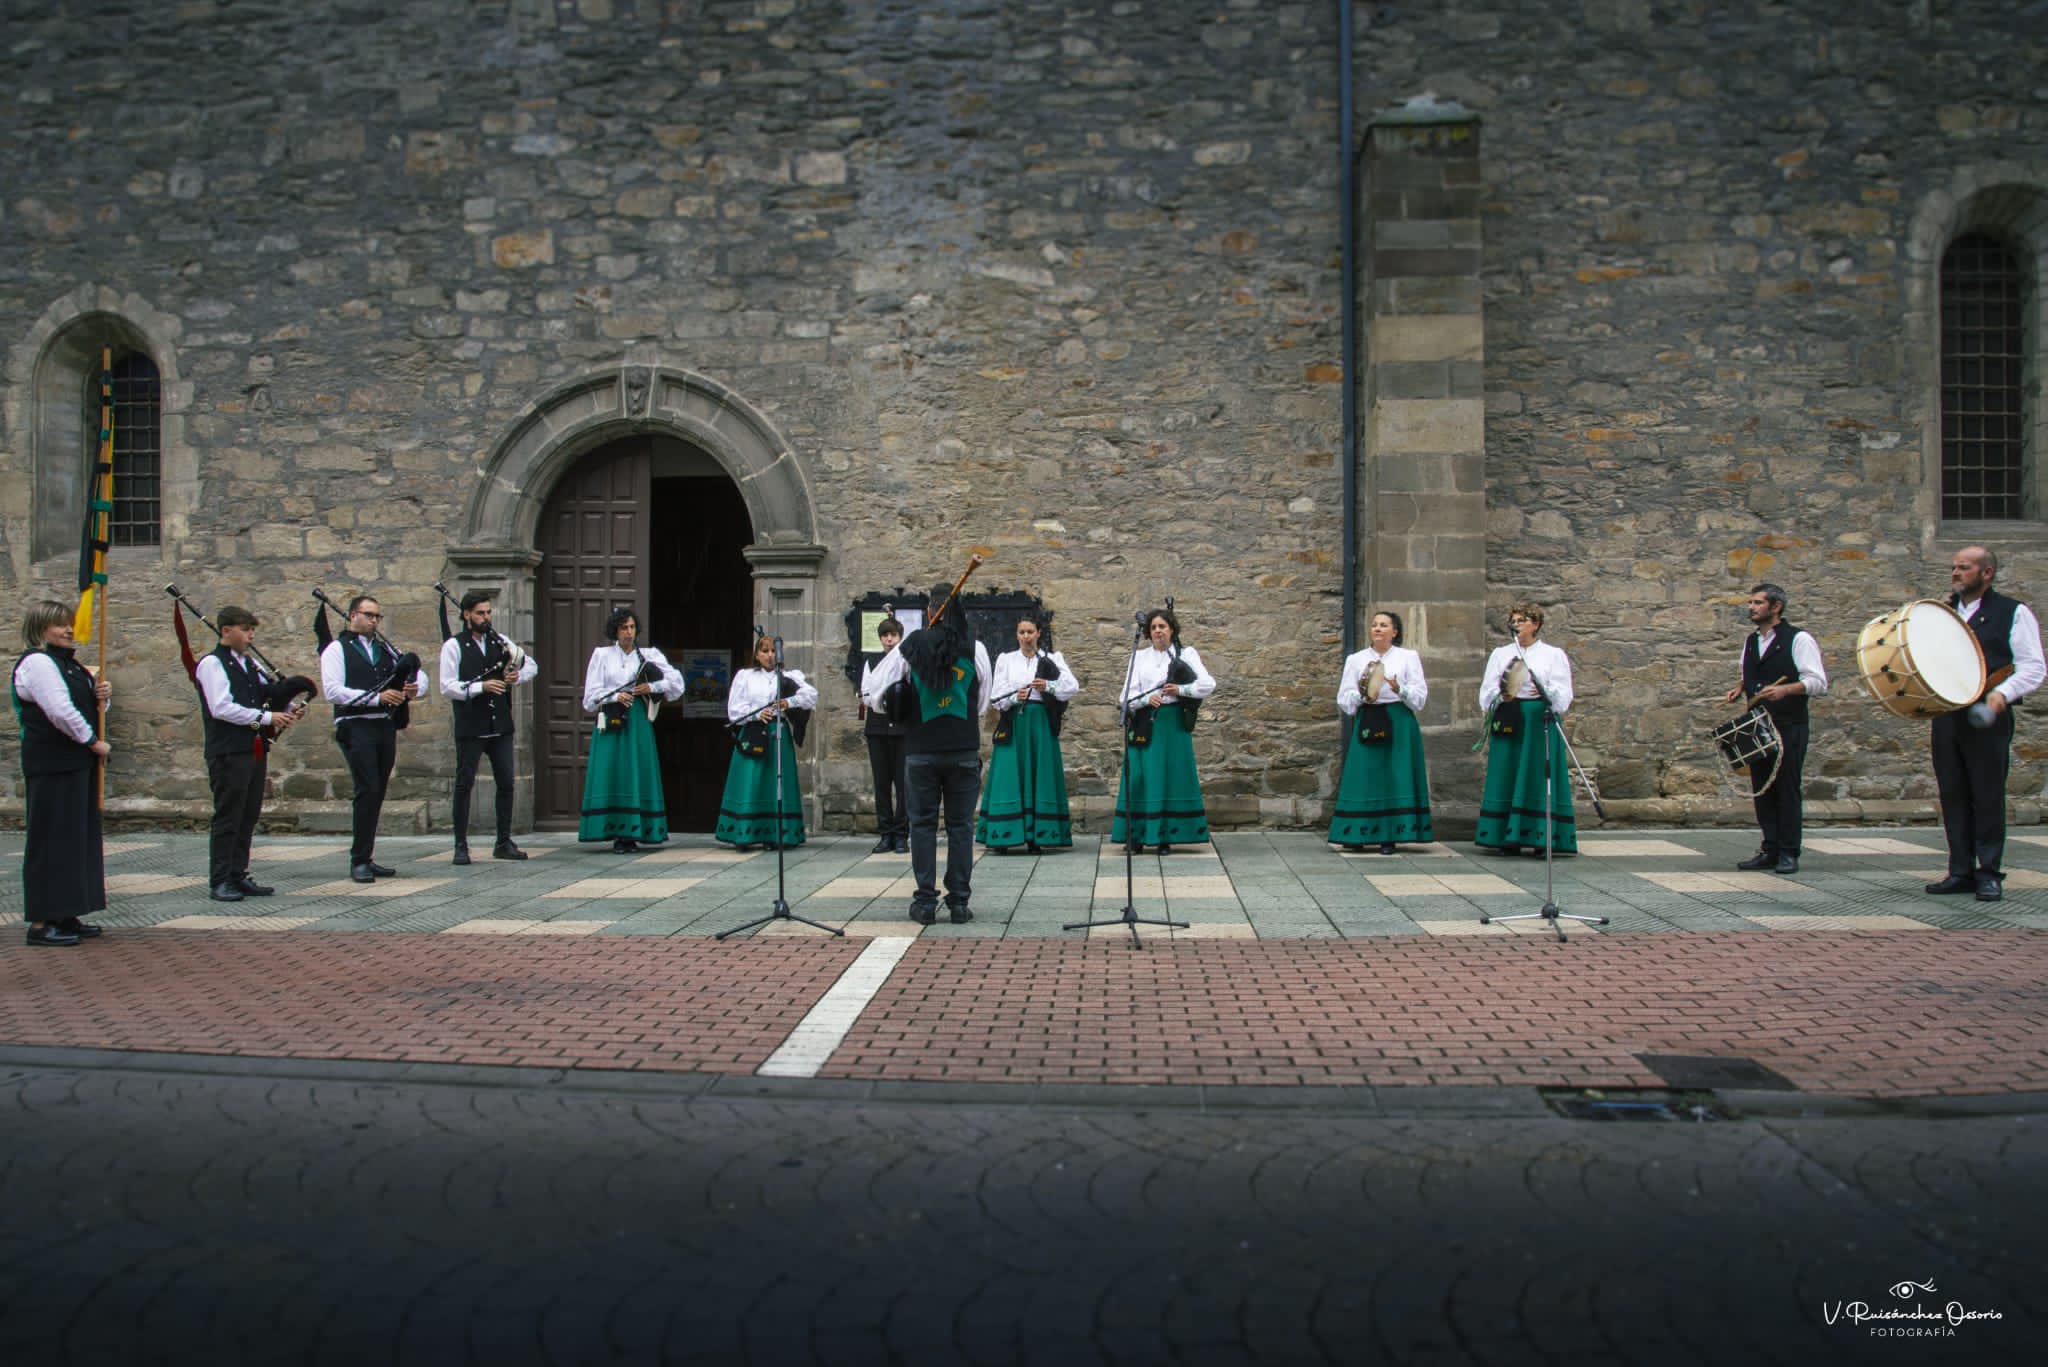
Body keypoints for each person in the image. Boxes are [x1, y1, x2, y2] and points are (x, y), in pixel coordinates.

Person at [862, 583, 992, 924]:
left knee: (921, 826)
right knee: (961, 826)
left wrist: (900, 707)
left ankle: (924, 902)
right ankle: (959, 902)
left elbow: (874, 696)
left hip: (920, 749)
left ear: (930, 611)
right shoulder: (975, 648)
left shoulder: (910, 647)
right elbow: (981, 704)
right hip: (963, 748)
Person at [1926, 546, 2045, 903]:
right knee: (1953, 792)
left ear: (1986, 573)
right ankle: (1960, 870)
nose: (1956, 573)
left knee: (1987, 794)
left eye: (1964, 567)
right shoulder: (1942, 614)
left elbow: (2033, 666)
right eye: (1953, 567)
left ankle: (1989, 872)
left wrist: (2002, 694)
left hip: (1988, 717)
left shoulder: (2012, 612)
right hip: (1947, 716)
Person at [12, 600, 111, 946]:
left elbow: (84, 705)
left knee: (74, 839)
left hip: (74, 764)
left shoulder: (71, 666)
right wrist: (92, 741)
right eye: (60, 625)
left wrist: (102, 697)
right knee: (51, 839)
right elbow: (59, 710)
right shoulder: (38, 662)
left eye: (70, 624)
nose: (69, 630)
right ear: (41, 629)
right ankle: (42, 921)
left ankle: (67, 910)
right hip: (52, 763)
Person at [197, 605, 300, 902]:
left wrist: (287, 709)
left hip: (253, 748)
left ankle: (238, 873)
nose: (250, 635)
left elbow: (265, 695)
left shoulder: (250, 664)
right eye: (245, 629)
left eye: (252, 630)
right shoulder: (212, 664)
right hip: (228, 750)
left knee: (248, 814)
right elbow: (221, 707)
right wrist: (267, 719)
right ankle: (220, 879)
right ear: (226, 630)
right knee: (229, 815)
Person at [1724, 583, 1827, 876]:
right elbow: (1750, 671)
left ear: (1776, 607)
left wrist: (1787, 690)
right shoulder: (1751, 641)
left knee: (1786, 788)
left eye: (1758, 603)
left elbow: (1818, 682)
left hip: (1788, 724)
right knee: (1762, 788)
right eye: (1751, 603)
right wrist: (1740, 687)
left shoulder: (1799, 639)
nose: (1751, 608)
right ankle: (1769, 848)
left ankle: (1788, 851)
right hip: (1758, 726)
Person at [320, 593, 423, 884]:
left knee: (377, 791)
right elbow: (333, 690)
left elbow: (416, 673)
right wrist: (376, 698)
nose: (374, 621)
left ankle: (367, 855)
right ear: (353, 615)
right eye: (368, 615)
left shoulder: (385, 648)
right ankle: (359, 860)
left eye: (377, 616)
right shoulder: (336, 649)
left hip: (383, 726)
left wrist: (415, 687)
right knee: (366, 788)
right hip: (355, 724)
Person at [438, 591, 537, 865]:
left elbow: (531, 666)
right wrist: (481, 687)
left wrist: (516, 676)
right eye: (480, 613)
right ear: (467, 614)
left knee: (506, 783)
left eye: (488, 612)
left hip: (501, 725)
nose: (486, 618)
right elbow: (446, 686)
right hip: (471, 725)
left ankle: (503, 841)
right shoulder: (454, 646)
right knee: (464, 783)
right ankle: (460, 844)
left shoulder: (500, 641)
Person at [579, 606, 685, 854]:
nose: (628, 632)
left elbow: (676, 684)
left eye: (632, 627)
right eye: (623, 627)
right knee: (612, 771)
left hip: (637, 721)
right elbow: (589, 698)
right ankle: (615, 832)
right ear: (614, 630)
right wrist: (616, 695)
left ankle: (639, 831)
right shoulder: (602, 655)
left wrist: (651, 687)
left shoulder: (648, 655)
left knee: (636, 770)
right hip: (611, 721)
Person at [1112, 607, 1217, 855]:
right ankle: (1136, 835)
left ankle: (1164, 836)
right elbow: (1125, 696)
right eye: (1153, 627)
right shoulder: (1139, 657)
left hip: (1172, 724)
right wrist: (1148, 699)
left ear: (1171, 629)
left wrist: (1179, 691)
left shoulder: (1185, 654)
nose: (1158, 631)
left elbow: (1207, 684)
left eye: (1162, 627)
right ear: (1148, 632)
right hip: (1145, 722)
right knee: (1140, 776)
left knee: (1168, 777)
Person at [1475, 602, 1576, 857]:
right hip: (1509, 716)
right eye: (1514, 620)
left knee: (1537, 774)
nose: (1517, 624)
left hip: (1538, 719)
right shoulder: (1501, 654)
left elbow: (1564, 695)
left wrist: (1544, 691)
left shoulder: (1553, 655)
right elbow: (1486, 692)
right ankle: (1507, 837)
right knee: (1507, 771)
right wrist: (1502, 695)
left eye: (1522, 620)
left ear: (1536, 625)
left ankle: (1543, 836)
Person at [1328, 610, 1432, 855]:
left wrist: (1399, 689)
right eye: (1374, 625)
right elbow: (1344, 699)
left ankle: (1390, 835)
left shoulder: (1408, 657)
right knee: (1365, 774)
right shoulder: (1356, 659)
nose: (1377, 629)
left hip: (1398, 720)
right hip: (1369, 716)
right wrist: (1362, 695)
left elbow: (1420, 698)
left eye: (1384, 625)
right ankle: (1357, 832)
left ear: (1394, 632)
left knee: (1395, 774)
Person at [977, 611, 1080, 854]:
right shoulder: (1006, 659)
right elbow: (996, 697)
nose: (1026, 637)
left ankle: (1036, 837)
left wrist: (1049, 686)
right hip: (1014, 722)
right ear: (1017, 634)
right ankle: (1003, 836)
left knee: (1038, 773)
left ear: (1038, 634)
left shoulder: (1052, 658)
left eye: (1030, 632)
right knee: (1008, 775)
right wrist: (1014, 696)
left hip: (1040, 722)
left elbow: (1071, 687)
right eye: (1022, 632)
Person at [715, 633, 819, 851]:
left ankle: (776, 834)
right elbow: (734, 709)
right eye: (764, 651)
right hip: (752, 732)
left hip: (777, 733)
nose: (770, 655)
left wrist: (787, 702)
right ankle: (744, 832)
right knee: (751, 781)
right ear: (756, 654)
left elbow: (811, 696)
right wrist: (756, 715)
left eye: (773, 651)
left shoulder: (788, 676)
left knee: (776, 781)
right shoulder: (745, 676)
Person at [858, 616, 909, 854]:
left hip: (901, 728)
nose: (889, 639)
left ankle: (901, 835)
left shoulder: (905, 659)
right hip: (877, 727)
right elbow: (867, 693)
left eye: (893, 635)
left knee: (903, 784)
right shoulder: (871, 661)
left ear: (900, 637)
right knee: (881, 783)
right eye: (885, 635)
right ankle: (885, 834)